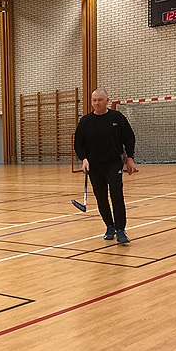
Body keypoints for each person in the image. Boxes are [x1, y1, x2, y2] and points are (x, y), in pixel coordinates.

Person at [74, 88, 137, 244]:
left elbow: (129, 138)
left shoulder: (117, 118)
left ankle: (121, 230)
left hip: (113, 163)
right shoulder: (86, 121)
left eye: (100, 100)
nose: (97, 103)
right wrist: (84, 159)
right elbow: (78, 144)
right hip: (94, 166)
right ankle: (110, 226)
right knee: (101, 197)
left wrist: (130, 158)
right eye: (94, 100)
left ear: (107, 101)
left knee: (116, 195)